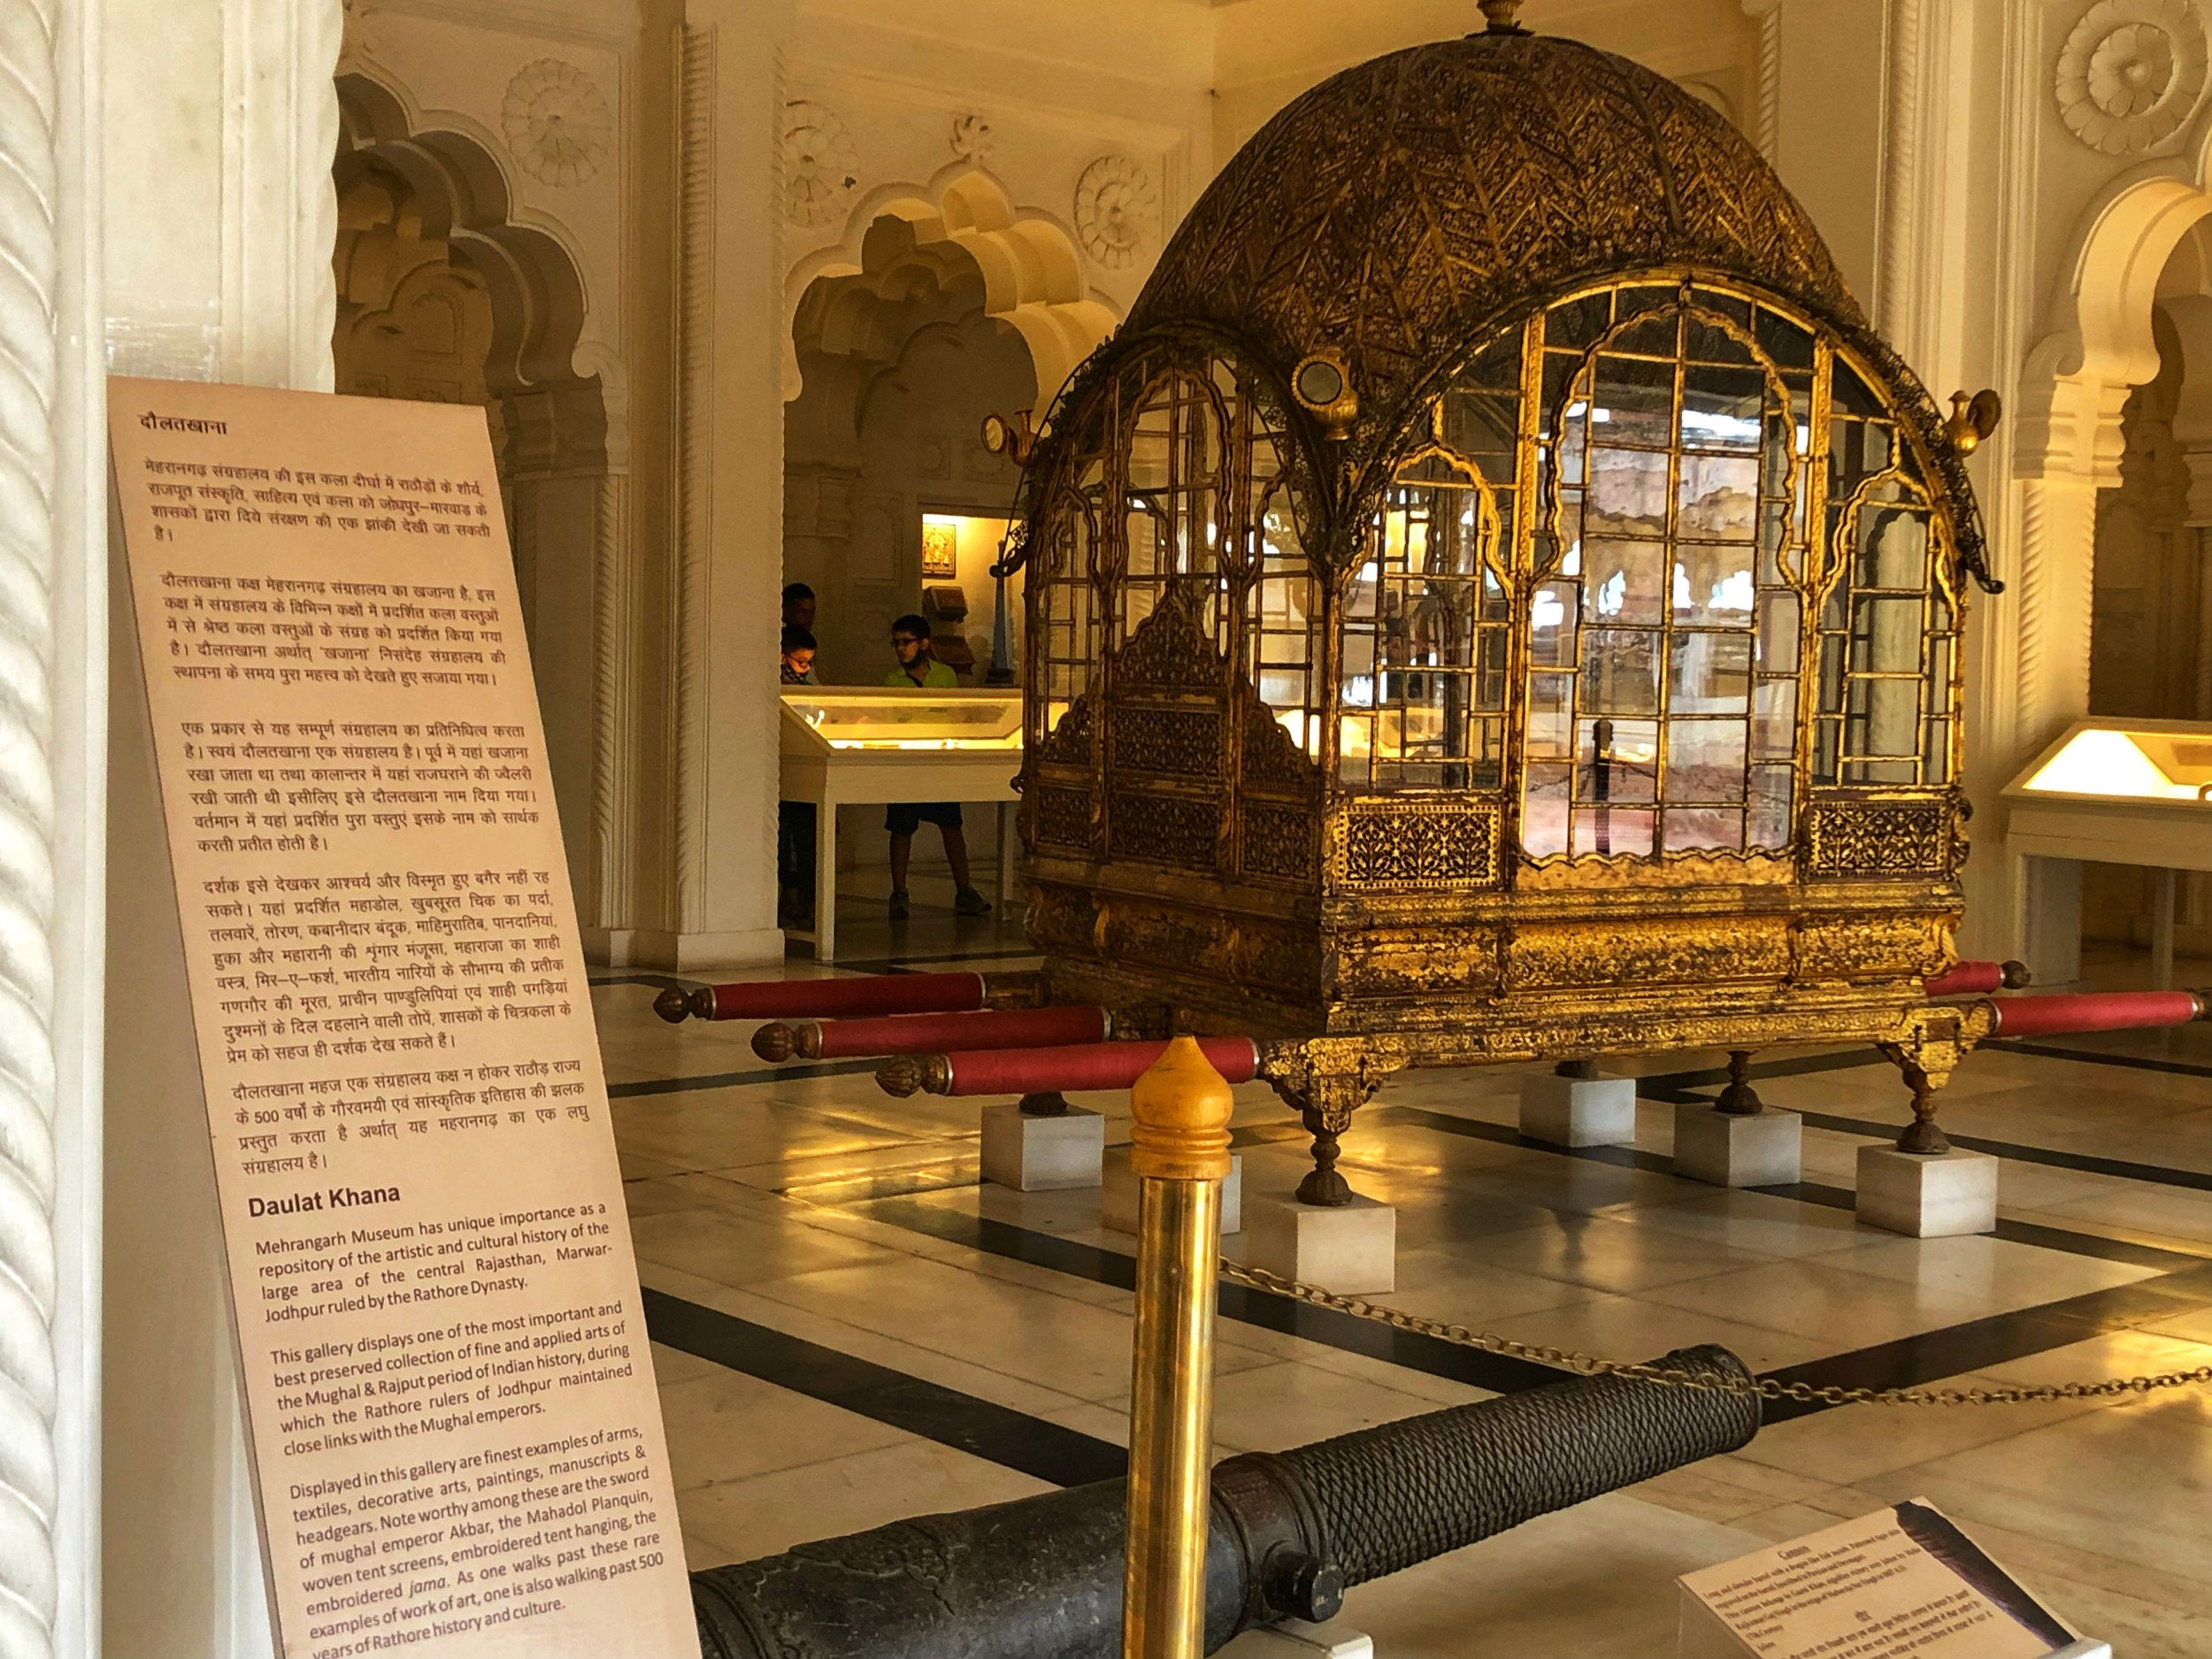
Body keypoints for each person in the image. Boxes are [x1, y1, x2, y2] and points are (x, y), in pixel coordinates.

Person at [883, 614, 990, 920]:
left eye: (906, 642)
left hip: (939, 761)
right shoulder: (892, 680)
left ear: (923, 643)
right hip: (906, 763)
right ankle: (899, 892)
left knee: (951, 825)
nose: (900, 649)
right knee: (901, 827)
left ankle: (965, 890)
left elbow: (954, 714)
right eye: (896, 643)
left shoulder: (945, 675)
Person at [777, 625, 818, 927]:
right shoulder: (774, 685)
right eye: (800, 662)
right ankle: (787, 894)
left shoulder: (810, 686)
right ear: (783, 657)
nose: (805, 669)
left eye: (809, 662)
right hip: (780, 770)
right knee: (781, 841)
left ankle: (808, 897)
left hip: (807, 768)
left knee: (806, 840)